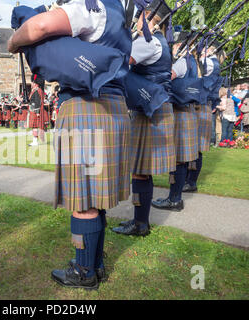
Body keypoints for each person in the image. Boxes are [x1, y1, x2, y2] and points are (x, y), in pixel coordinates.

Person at [8, 0, 132, 290]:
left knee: (82, 197)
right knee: (94, 195)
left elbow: (38, 26)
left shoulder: (90, 6)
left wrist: (14, 41)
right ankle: (96, 264)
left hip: (85, 107)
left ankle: (83, 270)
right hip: (115, 106)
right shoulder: (120, 16)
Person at [113, 0, 175, 236]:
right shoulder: (159, 42)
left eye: (140, 15)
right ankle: (140, 221)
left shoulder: (148, 42)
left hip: (150, 111)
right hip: (153, 108)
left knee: (139, 169)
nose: (137, 19)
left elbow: (120, 62)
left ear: (147, 16)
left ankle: (140, 224)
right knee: (141, 169)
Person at [151, 30, 200, 212]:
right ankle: (175, 197)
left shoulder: (182, 62)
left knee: (177, 159)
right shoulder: (193, 61)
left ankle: (174, 199)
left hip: (179, 113)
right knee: (181, 159)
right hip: (187, 113)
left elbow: (166, 77)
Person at [183, 43, 225, 193]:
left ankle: (191, 181)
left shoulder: (209, 63)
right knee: (193, 146)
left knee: (195, 147)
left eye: (206, 48)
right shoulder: (210, 62)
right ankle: (188, 180)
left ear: (211, 50)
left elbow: (195, 72)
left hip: (200, 106)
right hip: (201, 105)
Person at [28, 74, 46, 146]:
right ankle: (34, 141)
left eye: (32, 82)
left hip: (35, 111)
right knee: (34, 127)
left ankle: (35, 142)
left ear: (35, 83)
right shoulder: (36, 90)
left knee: (35, 126)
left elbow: (37, 102)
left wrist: (37, 112)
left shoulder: (37, 91)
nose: (31, 83)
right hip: (33, 110)